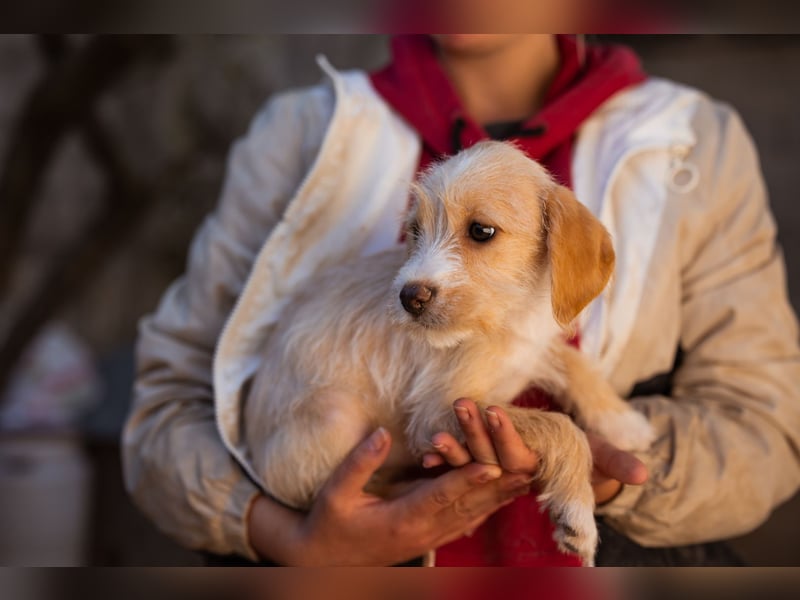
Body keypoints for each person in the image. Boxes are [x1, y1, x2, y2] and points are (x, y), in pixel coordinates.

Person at [122, 34, 800, 566]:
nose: (421, 269)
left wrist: (615, 474)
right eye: (416, 233)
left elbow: (766, 429)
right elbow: (165, 405)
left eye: (480, 233)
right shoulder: (297, 132)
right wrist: (286, 539)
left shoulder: (698, 141)